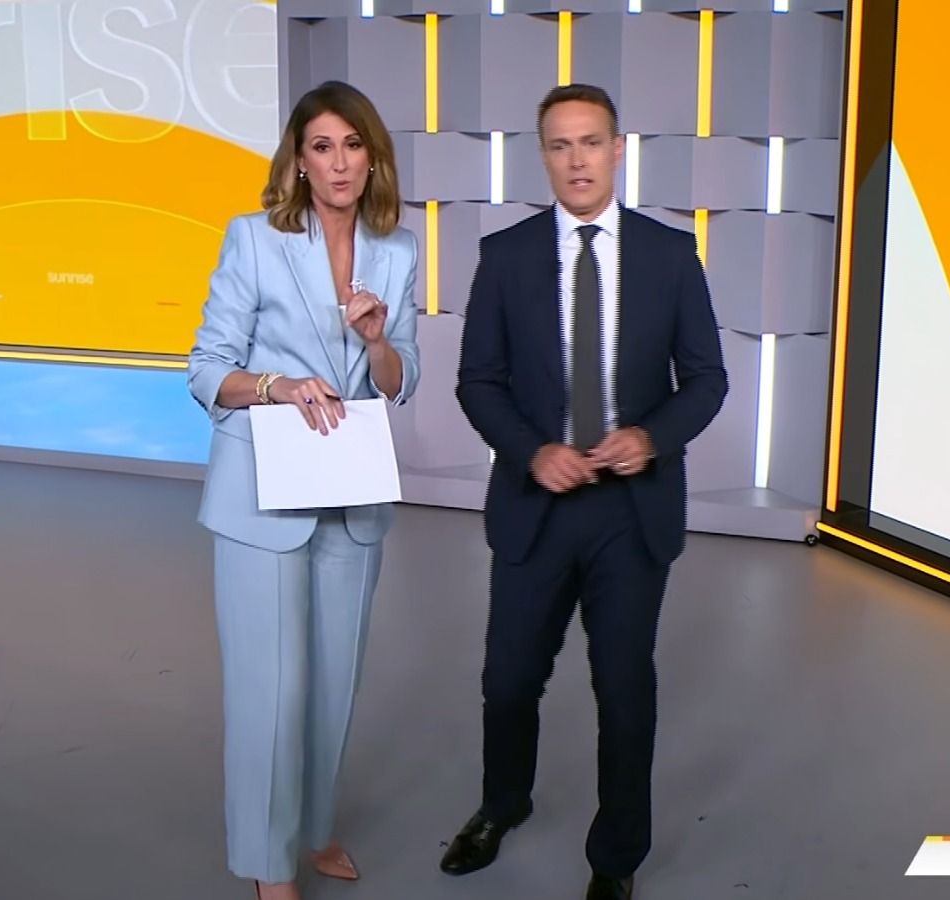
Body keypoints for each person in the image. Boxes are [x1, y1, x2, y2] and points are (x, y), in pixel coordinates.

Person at [442, 83, 728, 900]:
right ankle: (502, 805)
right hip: (535, 505)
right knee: (507, 681)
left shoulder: (670, 255)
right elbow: (477, 380)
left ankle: (616, 855)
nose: (577, 160)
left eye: (591, 142)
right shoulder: (505, 256)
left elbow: (705, 379)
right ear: (543, 155)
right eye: (560, 145)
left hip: (629, 512)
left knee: (624, 689)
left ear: (617, 150)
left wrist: (651, 437)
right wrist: (531, 451)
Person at [186, 80, 419, 900]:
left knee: (331, 687)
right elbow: (205, 370)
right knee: (270, 691)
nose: (339, 162)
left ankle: (312, 830)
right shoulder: (253, 240)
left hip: (350, 494)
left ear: (372, 157)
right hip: (260, 490)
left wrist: (377, 340)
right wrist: (277, 386)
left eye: (352, 145)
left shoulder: (398, 249)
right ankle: (266, 865)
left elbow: (400, 380)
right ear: (298, 160)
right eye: (322, 146)